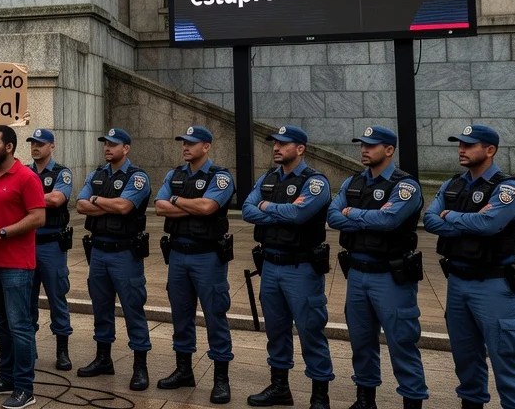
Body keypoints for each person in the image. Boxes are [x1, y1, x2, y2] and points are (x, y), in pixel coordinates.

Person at [423, 124, 515, 409]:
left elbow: (489, 224)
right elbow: (430, 221)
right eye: (460, 144)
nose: (461, 149)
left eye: (469, 145)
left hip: (494, 285)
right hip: (458, 282)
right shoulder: (453, 184)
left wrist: (450, 216)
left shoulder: (508, 188)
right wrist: (460, 218)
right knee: (466, 358)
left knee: (506, 359)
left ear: (490, 150)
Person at [326, 125, 426, 409]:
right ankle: (364, 400)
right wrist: (365, 217)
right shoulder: (353, 182)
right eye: (362, 145)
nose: (364, 150)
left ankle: (412, 401)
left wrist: (352, 213)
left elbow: (389, 221)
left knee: (401, 343)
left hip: (390, 276)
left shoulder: (404, 185)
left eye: (371, 145)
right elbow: (333, 216)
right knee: (361, 341)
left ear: (389, 150)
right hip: (357, 273)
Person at [243, 124, 334, 409]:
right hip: (270, 266)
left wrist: (267, 208)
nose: (276, 147)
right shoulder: (268, 177)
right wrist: (276, 210)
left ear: (300, 148)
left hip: (301, 268)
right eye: (274, 143)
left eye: (283, 143)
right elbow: (247, 209)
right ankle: (280, 388)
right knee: (276, 331)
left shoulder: (315, 181)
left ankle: (320, 397)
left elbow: (299, 214)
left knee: (310, 331)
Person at [153, 124, 234, 403]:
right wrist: (188, 203)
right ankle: (184, 370)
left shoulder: (220, 176)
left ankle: (221, 379)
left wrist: (177, 201)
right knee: (181, 315)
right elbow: (159, 206)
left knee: (215, 315)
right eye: (183, 142)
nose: (185, 146)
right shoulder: (174, 174)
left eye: (191, 142)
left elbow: (208, 208)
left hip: (207, 256)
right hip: (178, 254)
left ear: (206, 146)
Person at [0, 125, 45, 409]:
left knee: (20, 326)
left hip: (16, 264)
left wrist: (1, 233)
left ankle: (25, 387)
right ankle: (7, 377)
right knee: (1, 324)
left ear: (10, 147)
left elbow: (37, 218)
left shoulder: (27, 177)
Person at [75, 127, 152, 391]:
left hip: (125, 253)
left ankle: (140, 366)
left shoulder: (137, 176)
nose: (107, 148)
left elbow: (125, 207)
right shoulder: (97, 173)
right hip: (98, 251)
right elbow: (80, 204)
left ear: (126, 148)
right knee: (101, 307)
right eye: (105, 144)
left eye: (113, 144)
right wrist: (104, 201)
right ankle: (103, 358)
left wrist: (96, 200)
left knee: (133, 308)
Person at [27, 128, 75, 372]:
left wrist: (26, 195)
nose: (36, 147)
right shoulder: (24, 171)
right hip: (26, 244)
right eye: (33, 143)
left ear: (51, 146)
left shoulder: (61, 172)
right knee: (27, 299)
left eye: (41, 143)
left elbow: (57, 199)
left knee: (57, 297)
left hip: (51, 245)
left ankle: (62, 350)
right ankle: (29, 347)